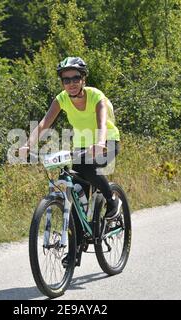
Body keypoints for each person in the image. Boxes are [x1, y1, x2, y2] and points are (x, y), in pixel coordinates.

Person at [19, 57, 121, 219]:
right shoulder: (62, 99)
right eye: (66, 80)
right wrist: (27, 145)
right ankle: (79, 238)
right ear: (62, 83)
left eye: (75, 78)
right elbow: (44, 124)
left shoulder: (96, 96)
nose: (71, 83)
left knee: (86, 166)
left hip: (106, 142)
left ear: (83, 79)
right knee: (69, 181)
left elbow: (102, 124)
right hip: (82, 146)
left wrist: (100, 143)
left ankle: (112, 200)